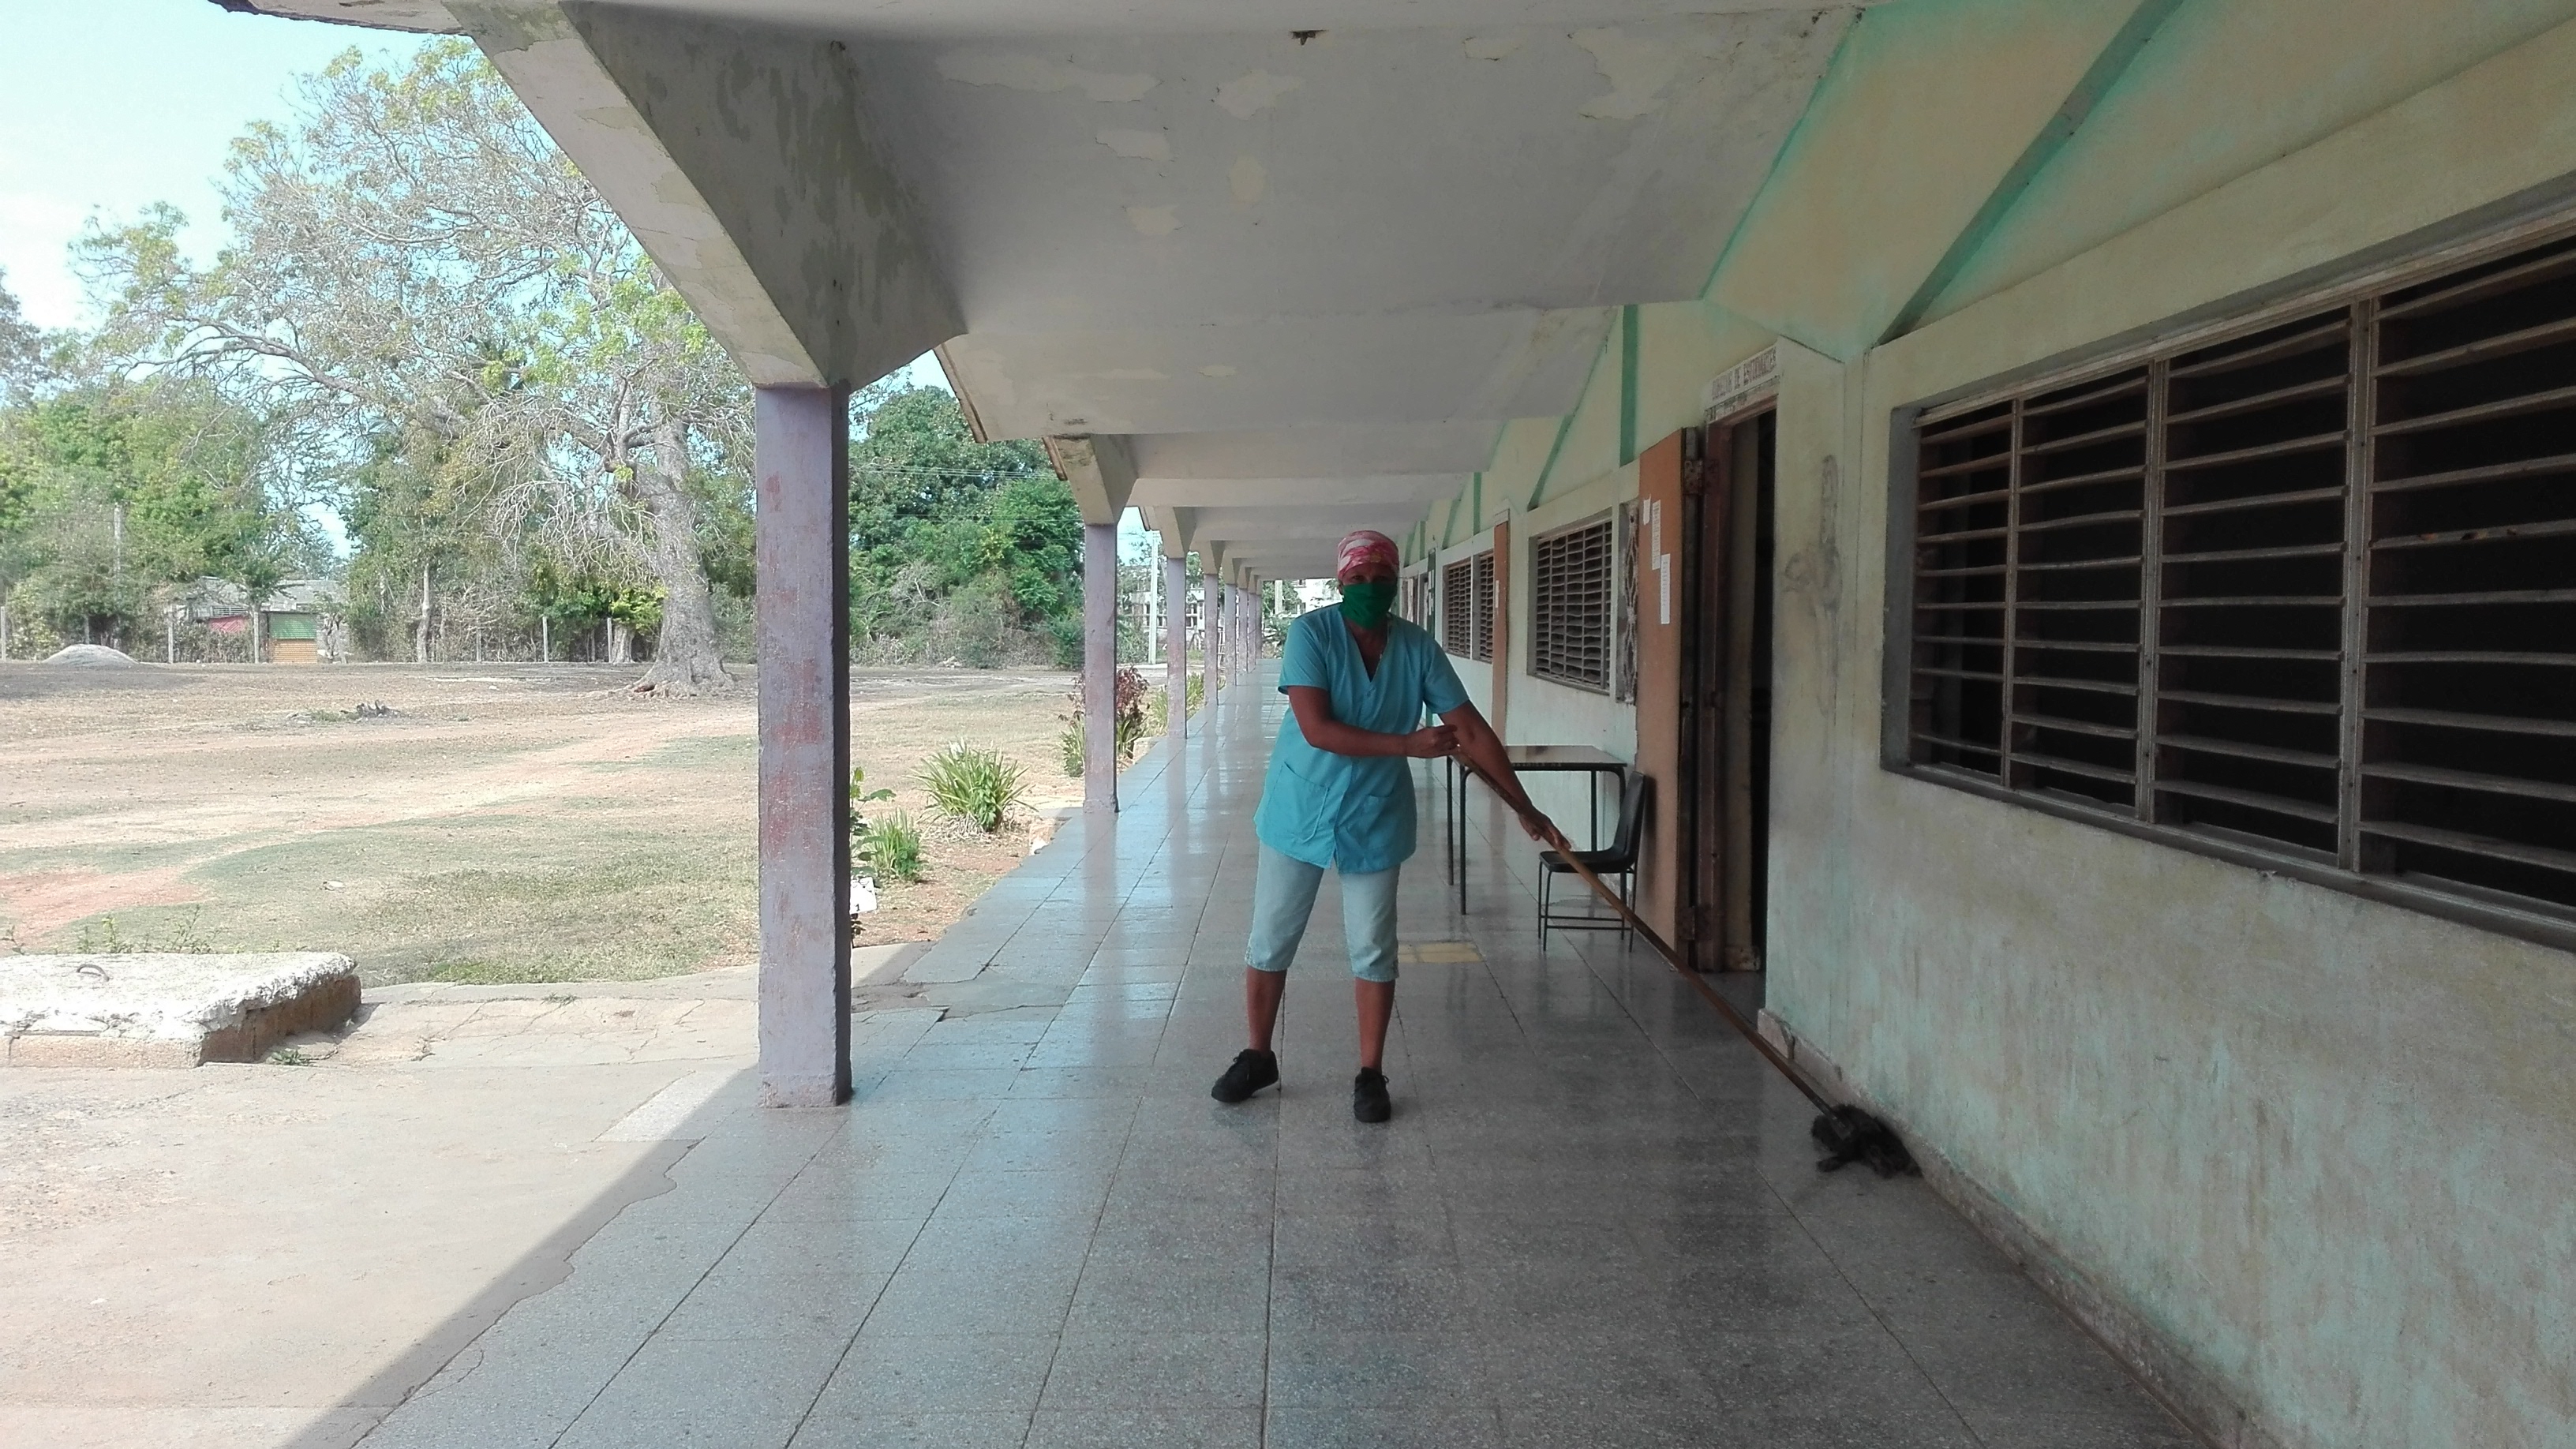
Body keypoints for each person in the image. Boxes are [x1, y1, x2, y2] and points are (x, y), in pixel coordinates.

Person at [1211, 529, 1563, 1122]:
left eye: (1380, 580)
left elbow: (1471, 731)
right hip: (1302, 807)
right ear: (1339, 582)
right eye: (1357, 580)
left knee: (1374, 947)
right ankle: (1257, 1054)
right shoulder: (1312, 635)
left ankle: (1370, 1072)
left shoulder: (1417, 648)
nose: (1368, 589)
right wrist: (1407, 742)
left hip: (1375, 814)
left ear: (1396, 585)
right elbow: (1319, 728)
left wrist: (1525, 808)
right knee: (1271, 938)